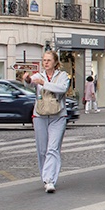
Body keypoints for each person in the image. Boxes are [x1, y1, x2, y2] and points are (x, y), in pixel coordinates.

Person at [26, 50, 70, 193]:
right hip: (40, 115)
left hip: (58, 116)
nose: (45, 63)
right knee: (42, 150)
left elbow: (62, 89)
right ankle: (45, 177)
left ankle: (49, 180)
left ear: (55, 62)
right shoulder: (38, 75)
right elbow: (30, 84)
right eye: (44, 60)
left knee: (53, 148)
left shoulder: (62, 76)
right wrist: (27, 79)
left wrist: (44, 83)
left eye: (49, 60)